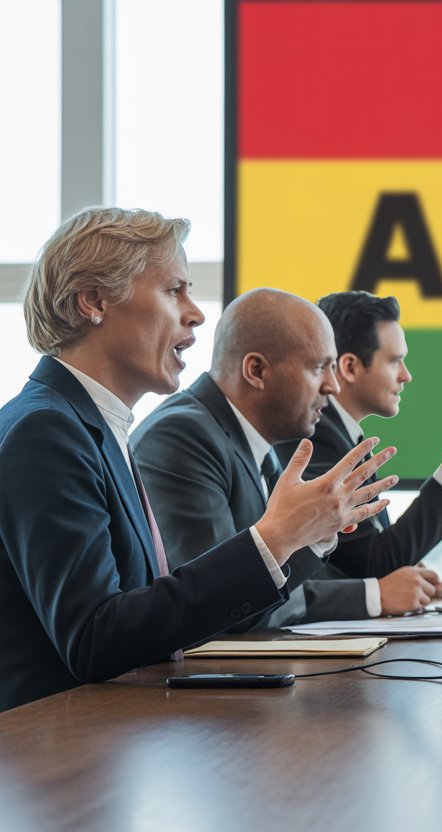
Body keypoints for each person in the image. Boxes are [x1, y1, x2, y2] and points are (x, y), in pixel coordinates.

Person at [0, 207, 394, 711]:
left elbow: (152, 607)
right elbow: (95, 639)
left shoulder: (93, 424)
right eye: (173, 290)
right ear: (94, 301)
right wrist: (273, 538)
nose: (197, 313)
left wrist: (299, 537)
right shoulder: (48, 430)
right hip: (54, 764)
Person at [131, 289, 442, 626]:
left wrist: (319, 533)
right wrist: (370, 593)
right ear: (255, 371)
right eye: (319, 369)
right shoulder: (182, 437)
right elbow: (220, 597)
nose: (332, 387)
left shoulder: (253, 443)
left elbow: (272, 583)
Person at [272, 289, 442, 590]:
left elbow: (374, 560)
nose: (406, 375)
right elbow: (370, 564)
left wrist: (403, 571)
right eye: (394, 361)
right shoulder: (315, 441)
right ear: (349, 367)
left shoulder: (342, 435)